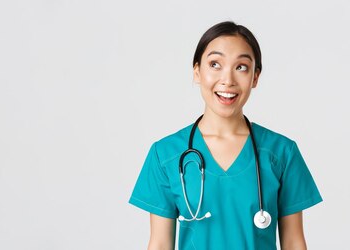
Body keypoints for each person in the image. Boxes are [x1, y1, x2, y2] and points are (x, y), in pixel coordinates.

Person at [129, 21, 323, 250]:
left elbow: (294, 243)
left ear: (255, 77)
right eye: (215, 64)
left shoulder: (281, 153)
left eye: (241, 67)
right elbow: (160, 244)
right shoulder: (166, 155)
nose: (228, 80)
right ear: (197, 71)